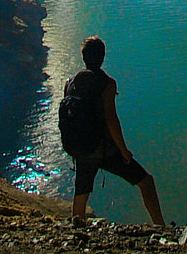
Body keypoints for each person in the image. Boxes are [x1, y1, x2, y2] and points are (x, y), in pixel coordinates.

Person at [65, 35, 168, 228]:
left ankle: (76, 233)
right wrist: (123, 150)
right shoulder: (107, 83)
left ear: (83, 57)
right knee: (146, 182)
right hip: (105, 150)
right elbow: (111, 120)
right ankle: (161, 227)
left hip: (82, 149)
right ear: (102, 57)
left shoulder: (70, 83)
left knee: (81, 193)